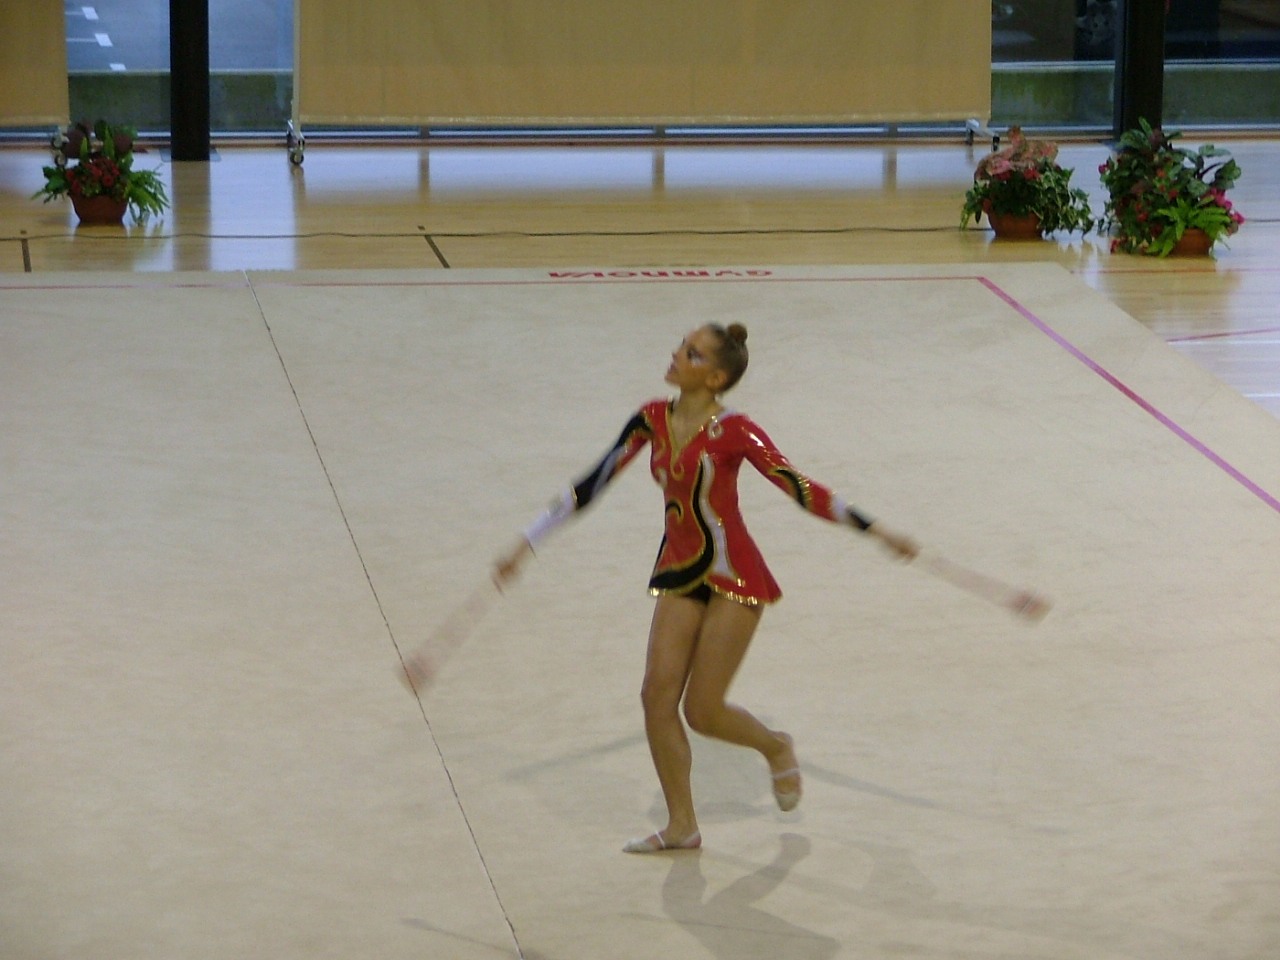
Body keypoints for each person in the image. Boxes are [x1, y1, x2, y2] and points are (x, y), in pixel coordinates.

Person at [493, 323, 918, 853]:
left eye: (691, 353)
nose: (676, 354)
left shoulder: (735, 431)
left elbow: (798, 486)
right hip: (678, 568)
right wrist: (527, 541)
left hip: (733, 572)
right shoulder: (651, 419)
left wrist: (875, 530)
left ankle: (775, 747)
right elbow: (592, 482)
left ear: (715, 377)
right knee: (656, 696)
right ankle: (682, 826)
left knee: (703, 711)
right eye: (680, 345)